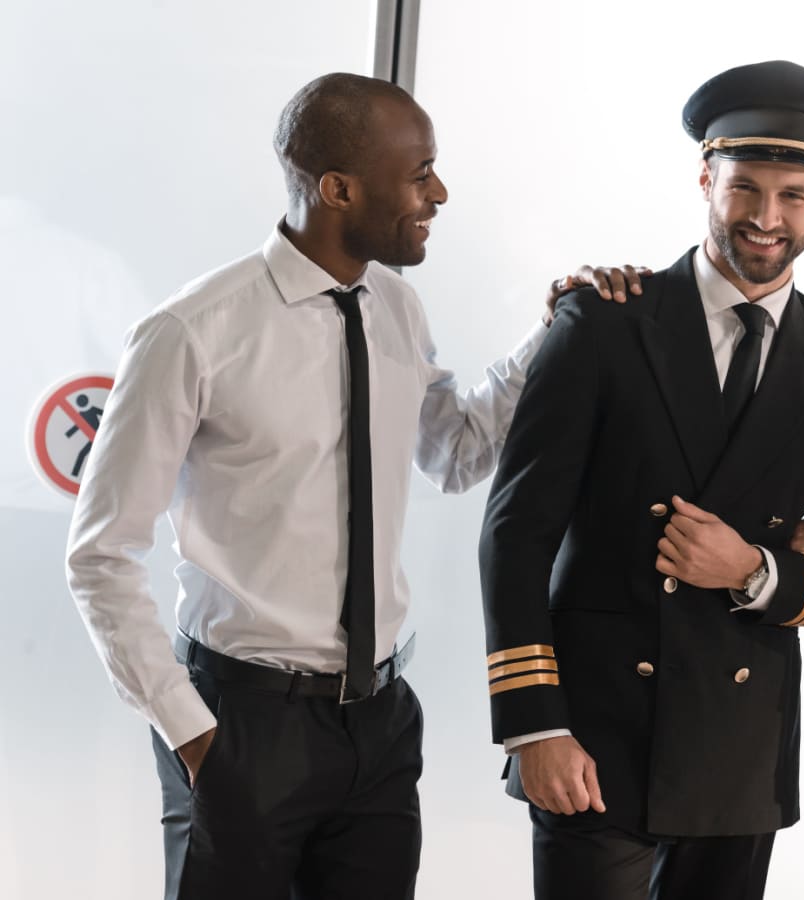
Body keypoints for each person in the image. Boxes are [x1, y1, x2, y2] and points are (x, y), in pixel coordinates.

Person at [64, 72, 548, 900]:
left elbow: (455, 454)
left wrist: (553, 330)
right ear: (338, 188)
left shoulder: (396, 307)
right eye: (420, 171)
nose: (439, 192)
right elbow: (101, 556)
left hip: (381, 724)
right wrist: (195, 738)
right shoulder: (192, 332)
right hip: (242, 723)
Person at [478, 60, 804, 900]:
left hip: (737, 750)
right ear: (706, 178)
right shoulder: (603, 320)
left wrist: (756, 568)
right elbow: (514, 534)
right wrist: (534, 725)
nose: (766, 218)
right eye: (745, 189)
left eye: (791, 195)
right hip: (591, 735)